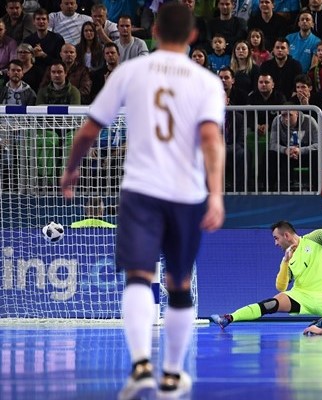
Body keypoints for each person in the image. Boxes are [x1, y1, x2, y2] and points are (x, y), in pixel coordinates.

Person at [60, 3, 225, 399]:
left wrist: (71, 170)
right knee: (179, 283)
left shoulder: (130, 72)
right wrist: (216, 194)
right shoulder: (206, 82)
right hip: (186, 194)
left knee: (138, 277)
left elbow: (89, 129)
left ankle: (139, 366)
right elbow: (209, 141)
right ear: (192, 36)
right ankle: (171, 374)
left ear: (152, 31)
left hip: (139, 191)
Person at [210, 207, 322, 329]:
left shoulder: (314, 239)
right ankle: (229, 318)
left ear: (286, 235)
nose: (275, 243)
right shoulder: (287, 258)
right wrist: (286, 261)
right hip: (300, 296)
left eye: (276, 238)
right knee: (271, 304)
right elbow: (281, 287)